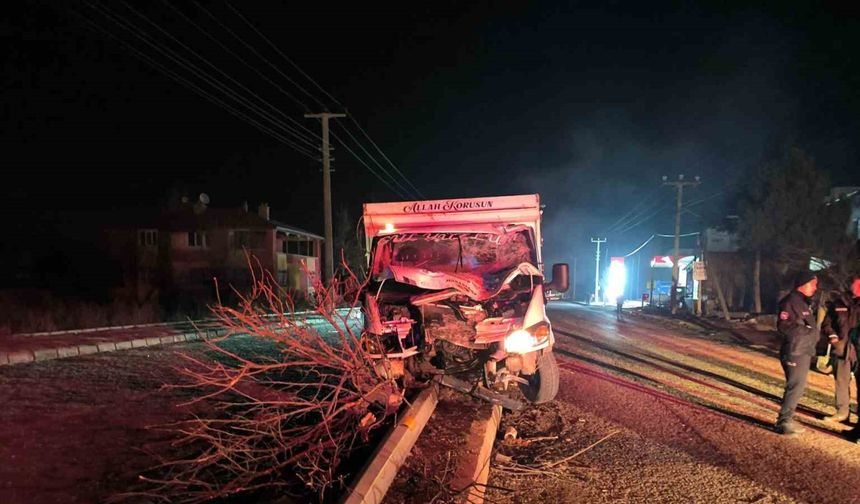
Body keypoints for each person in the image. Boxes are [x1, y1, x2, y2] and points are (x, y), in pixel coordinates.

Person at [774, 270, 820, 435]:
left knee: (797, 387)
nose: (816, 288)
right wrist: (807, 331)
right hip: (795, 350)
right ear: (804, 284)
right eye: (813, 284)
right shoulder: (790, 301)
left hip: (803, 349)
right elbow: (783, 325)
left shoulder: (802, 302)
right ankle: (784, 422)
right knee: (795, 386)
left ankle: (787, 418)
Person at [820, 275, 860, 430]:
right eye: (856, 285)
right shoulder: (839, 303)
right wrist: (832, 335)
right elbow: (827, 323)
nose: (857, 288)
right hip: (841, 349)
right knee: (841, 382)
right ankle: (842, 412)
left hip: (858, 350)